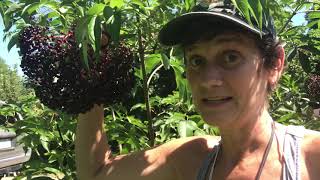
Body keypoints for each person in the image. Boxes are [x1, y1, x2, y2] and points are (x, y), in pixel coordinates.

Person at [75, 0, 320, 179]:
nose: (207, 80)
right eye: (196, 60)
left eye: (231, 56)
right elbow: (96, 174)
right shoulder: (190, 159)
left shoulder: (311, 158)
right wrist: (93, 66)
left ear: (275, 63)